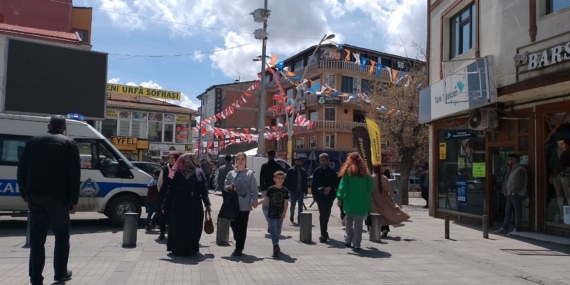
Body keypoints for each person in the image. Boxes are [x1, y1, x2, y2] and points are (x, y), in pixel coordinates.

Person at [17, 115, 80, 285]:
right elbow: (74, 174)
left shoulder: (33, 142)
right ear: (64, 127)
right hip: (59, 198)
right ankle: (60, 273)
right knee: (61, 236)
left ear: (48, 125)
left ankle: (35, 278)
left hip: (36, 196)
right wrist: (74, 200)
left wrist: (24, 192)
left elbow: (21, 168)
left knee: (37, 239)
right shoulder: (69, 144)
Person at [162, 154, 211, 256]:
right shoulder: (179, 174)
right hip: (181, 205)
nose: (194, 160)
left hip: (195, 204)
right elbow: (171, 191)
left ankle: (192, 247)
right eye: (191, 158)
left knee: (196, 226)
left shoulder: (199, 172)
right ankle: (181, 249)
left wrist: (207, 203)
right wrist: (165, 205)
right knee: (182, 227)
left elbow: (204, 190)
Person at [224, 152, 258, 256]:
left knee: (242, 227)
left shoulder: (250, 174)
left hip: (245, 206)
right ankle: (237, 239)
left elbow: (254, 190)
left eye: (242, 159)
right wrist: (229, 187)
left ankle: (239, 247)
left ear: (245, 161)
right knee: (233, 225)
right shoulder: (231, 174)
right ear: (236, 161)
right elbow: (224, 186)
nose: (240, 161)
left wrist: (255, 200)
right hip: (233, 205)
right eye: (238, 159)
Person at [336, 153, 373, 250]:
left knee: (348, 220)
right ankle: (357, 244)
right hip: (361, 202)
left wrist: (339, 197)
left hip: (349, 201)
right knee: (358, 223)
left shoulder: (348, 172)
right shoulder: (366, 173)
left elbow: (342, 186)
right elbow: (370, 188)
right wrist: (365, 196)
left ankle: (348, 240)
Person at [371, 164, 410, 238]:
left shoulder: (371, 178)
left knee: (376, 214)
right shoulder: (385, 178)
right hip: (384, 199)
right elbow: (387, 189)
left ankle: (376, 229)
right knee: (385, 214)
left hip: (374, 198)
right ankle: (385, 228)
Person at [256, 171, 289, 256]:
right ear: (274, 179)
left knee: (278, 231)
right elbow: (265, 199)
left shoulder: (285, 190)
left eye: (282, 178)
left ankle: (276, 244)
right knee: (274, 230)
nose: (280, 180)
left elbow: (286, 203)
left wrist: (284, 212)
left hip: (280, 214)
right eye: (278, 178)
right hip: (272, 213)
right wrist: (257, 203)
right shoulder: (271, 189)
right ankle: (275, 246)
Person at [494, 154, 528, 234]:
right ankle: (504, 227)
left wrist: (513, 192)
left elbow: (520, 184)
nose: (507, 161)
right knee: (508, 211)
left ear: (514, 160)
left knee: (517, 212)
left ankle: (517, 228)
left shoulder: (520, 170)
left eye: (509, 159)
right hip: (510, 194)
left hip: (516, 194)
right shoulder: (511, 170)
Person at [311, 153, 339, 243]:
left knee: (327, 213)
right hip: (320, 196)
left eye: (324, 160)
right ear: (319, 161)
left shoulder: (332, 171)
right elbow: (314, 184)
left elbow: (336, 183)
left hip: (330, 196)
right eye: (321, 160)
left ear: (328, 160)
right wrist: (314, 195)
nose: (323, 162)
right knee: (322, 213)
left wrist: (329, 188)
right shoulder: (317, 171)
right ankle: (323, 233)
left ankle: (325, 232)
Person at [155, 152, 180, 240]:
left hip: (175, 195)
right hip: (164, 195)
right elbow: (160, 183)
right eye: (170, 158)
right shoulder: (165, 169)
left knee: (173, 214)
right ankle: (162, 232)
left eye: (173, 158)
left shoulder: (179, 169)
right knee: (163, 213)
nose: (171, 160)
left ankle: (171, 232)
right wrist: (161, 193)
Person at [259, 149, 285, 232]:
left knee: (265, 207)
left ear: (267, 155)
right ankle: (272, 223)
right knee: (274, 207)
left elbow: (261, 177)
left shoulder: (264, 166)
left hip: (266, 189)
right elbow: (282, 177)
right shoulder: (279, 166)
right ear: (275, 155)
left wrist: (262, 188)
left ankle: (270, 222)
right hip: (276, 188)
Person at [549, 139, 570, 222]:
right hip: (555, 175)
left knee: (568, 194)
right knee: (559, 195)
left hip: (566, 175)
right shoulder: (553, 150)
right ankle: (562, 214)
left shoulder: (568, 150)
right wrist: (551, 175)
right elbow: (550, 163)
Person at [284, 157, 308, 224]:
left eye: (300, 161)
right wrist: (286, 189)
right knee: (292, 205)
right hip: (293, 190)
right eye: (297, 161)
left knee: (300, 205)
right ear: (295, 162)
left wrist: (305, 191)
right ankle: (292, 215)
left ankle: (300, 218)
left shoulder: (303, 171)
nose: (298, 162)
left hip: (301, 191)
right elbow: (287, 180)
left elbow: (305, 181)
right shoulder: (291, 170)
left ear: (301, 162)